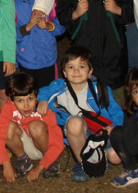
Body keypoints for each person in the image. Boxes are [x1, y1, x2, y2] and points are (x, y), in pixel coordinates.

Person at [40, 46, 123, 183]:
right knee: (74, 121)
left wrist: (114, 126)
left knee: (116, 158)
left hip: (100, 133)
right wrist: (43, 100)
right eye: (71, 67)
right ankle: (83, 163)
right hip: (77, 133)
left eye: (82, 67)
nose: (76, 71)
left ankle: (98, 156)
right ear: (64, 72)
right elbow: (42, 91)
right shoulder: (57, 87)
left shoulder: (100, 89)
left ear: (90, 71)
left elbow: (116, 111)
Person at [0, 72, 64, 182]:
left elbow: (58, 143)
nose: (26, 106)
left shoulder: (44, 110)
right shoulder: (9, 107)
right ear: (11, 100)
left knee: (35, 126)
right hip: (25, 146)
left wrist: (40, 167)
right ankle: (23, 159)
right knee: (8, 127)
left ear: (36, 96)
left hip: (45, 149)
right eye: (20, 101)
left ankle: (51, 162)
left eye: (30, 99)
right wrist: (6, 163)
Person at [11, 0, 65, 90]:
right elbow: (8, 35)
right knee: (29, 98)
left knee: (49, 97)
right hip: (25, 60)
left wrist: (49, 26)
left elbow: (62, 27)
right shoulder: (10, 3)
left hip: (48, 58)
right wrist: (26, 28)